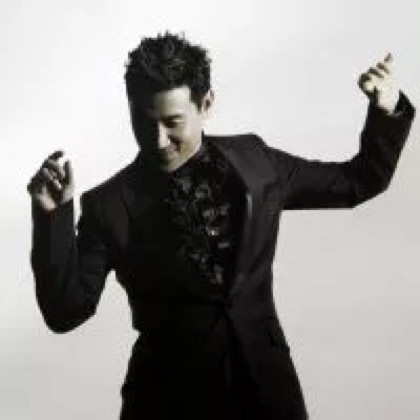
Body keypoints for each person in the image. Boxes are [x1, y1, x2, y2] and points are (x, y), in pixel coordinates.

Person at [27, 32, 416, 420]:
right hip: (165, 401)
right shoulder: (108, 205)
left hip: (268, 391)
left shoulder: (256, 162)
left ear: (206, 104)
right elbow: (66, 311)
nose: (158, 140)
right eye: (143, 122)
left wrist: (387, 109)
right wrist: (51, 219)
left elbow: (357, 182)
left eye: (173, 122)